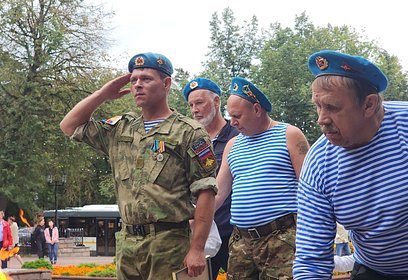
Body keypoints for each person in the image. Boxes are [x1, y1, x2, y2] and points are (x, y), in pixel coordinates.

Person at [60, 52, 218, 279]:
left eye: (146, 79)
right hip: (127, 242)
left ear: (166, 84)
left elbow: (206, 191)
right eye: (134, 80)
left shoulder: (188, 132)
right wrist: (102, 95)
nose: (137, 85)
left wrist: (197, 248)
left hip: (169, 242)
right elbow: (69, 126)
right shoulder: (121, 129)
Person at [293, 50, 408, 279]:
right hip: (376, 272)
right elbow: (310, 260)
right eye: (318, 106)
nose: (321, 119)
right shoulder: (319, 164)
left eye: (333, 107)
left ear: (369, 105)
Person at [215, 77, 310, 279]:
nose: (232, 122)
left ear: (257, 110)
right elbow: (219, 192)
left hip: (281, 239)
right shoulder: (232, 145)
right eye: (230, 115)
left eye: (237, 116)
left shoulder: (290, 135)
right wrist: (193, 217)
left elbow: (310, 188)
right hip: (241, 242)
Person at [183, 77, 239, 279]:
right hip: (198, 234)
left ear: (216, 102)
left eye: (199, 103)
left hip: (233, 232)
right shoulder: (189, 139)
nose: (194, 110)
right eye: (190, 105)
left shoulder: (238, 136)